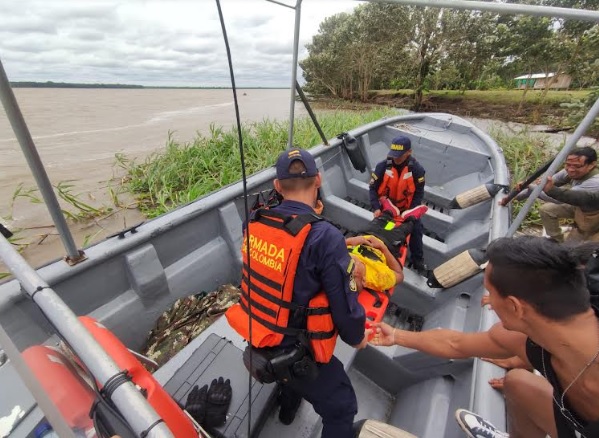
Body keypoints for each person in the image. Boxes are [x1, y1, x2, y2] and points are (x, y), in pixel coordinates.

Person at [371, 236, 599, 438]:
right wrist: (397, 336)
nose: (486, 300)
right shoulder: (533, 337)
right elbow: (456, 344)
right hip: (577, 421)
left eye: (490, 292)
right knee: (518, 383)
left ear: (515, 306)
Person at [226, 148, 370, 438]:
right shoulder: (325, 236)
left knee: (293, 375)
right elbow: (344, 309)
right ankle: (292, 401)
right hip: (295, 351)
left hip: (257, 330)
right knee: (342, 406)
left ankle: (287, 410)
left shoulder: (252, 221)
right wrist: (358, 338)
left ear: (277, 186)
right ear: (318, 180)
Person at [501, 147, 599, 242]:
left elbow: (560, 199)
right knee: (547, 210)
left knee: (582, 244)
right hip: (578, 206)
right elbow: (545, 184)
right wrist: (514, 198)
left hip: (593, 214)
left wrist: (530, 186)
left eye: (577, 166)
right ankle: (557, 241)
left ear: (592, 165)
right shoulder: (571, 170)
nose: (570, 170)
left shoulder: (595, 182)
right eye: (568, 165)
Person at [369, 135, 427, 275]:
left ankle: (418, 261)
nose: (396, 159)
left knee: (416, 231)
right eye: (394, 155)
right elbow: (373, 189)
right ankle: (381, 255)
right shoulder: (382, 166)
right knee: (385, 229)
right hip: (388, 208)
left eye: (400, 156)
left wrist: (411, 212)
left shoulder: (417, 170)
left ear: (409, 152)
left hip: (408, 208)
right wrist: (376, 208)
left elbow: (418, 193)